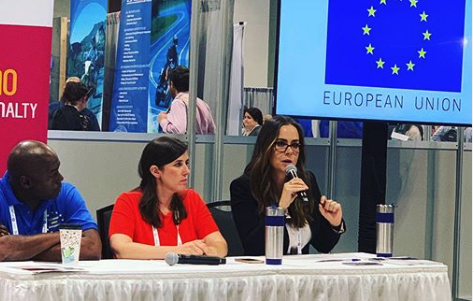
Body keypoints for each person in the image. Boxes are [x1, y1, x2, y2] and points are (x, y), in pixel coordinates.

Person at [230, 116, 345, 256]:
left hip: (300, 268)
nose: (289, 151)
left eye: (295, 145)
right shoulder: (244, 187)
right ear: (266, 147)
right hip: (266, 268)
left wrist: (334, 224)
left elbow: (323, 245)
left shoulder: (306, 181)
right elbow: (254, 248)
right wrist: (280, 209)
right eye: (281, 144)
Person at [0, 140, 101, 261]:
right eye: (53, 174)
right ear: (26, 182)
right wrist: (64, 236)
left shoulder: (66, 193)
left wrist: (17, 249)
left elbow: (93, 249)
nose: (60, 178)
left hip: (52, 279)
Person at [109, 137, 228, 259]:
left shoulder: (191, 199)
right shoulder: (128, 201)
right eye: (178, 164)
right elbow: (121, 249)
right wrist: (179, 251)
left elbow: (220, 244)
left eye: (186, 163)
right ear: (156, 171)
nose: (187, 171)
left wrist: (207, 251)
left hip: (187, 271)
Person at [157, 66, 216, 134]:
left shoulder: (178, 103)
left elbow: (178, 131)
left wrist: (163, 120)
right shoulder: (202, 103)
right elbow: (212, 132)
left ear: (172, 84)